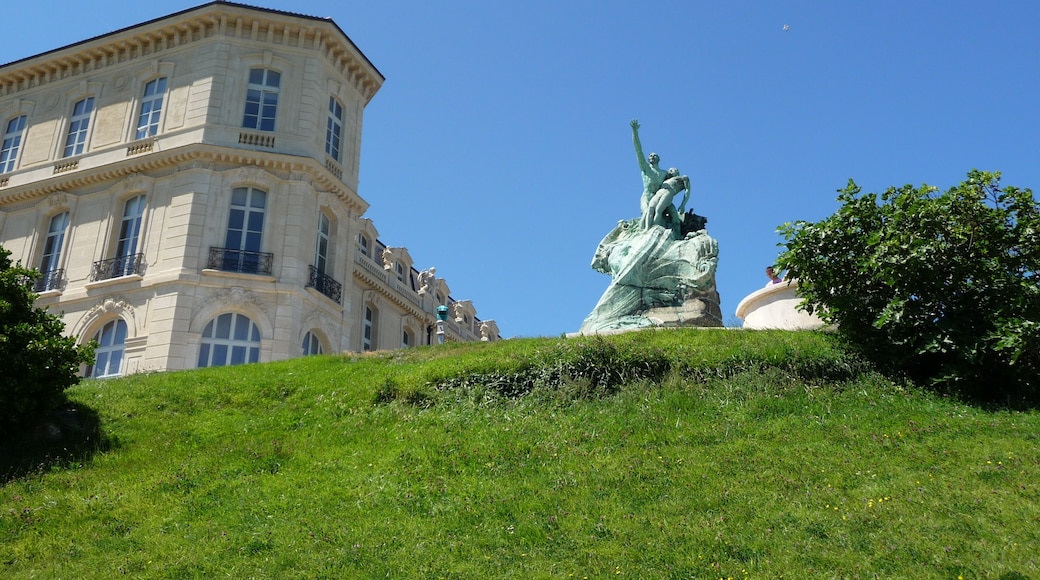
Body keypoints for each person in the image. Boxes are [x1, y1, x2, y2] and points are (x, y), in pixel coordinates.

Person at [631, 119, 669, 216]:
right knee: (647, 213)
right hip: (647, 197)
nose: (652, 156)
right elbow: (638, 150)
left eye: (654, 155)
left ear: (659, 159)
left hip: (659, 198)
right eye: (650, 155)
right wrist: (635, 132)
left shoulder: (664, 173)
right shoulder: (646, 168)